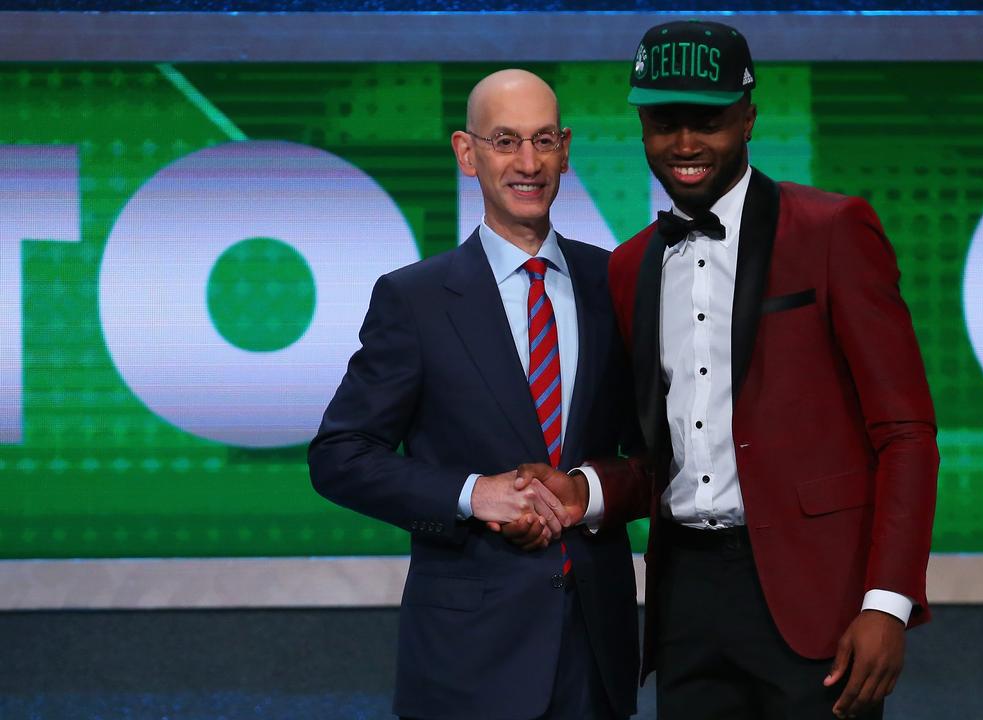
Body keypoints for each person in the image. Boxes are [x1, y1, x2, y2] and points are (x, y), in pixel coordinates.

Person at [516, 19, 939, 720]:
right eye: (664, 121)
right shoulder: (630, 265)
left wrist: (888, 604)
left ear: (747, 115)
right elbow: (655, 456)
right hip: (685, 606)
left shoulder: (835, 231)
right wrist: (582, 491)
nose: (685, 144)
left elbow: (906, 434)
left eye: (707, 120)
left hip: (819, 602)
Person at [308, 69, 639, 720]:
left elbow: (660, 453)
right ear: (468, 153)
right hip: (468, 661)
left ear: (566, 149)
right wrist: (470, 493)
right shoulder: (415, 299)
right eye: (505, 140)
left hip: (594, 655)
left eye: (544, 140)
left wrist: (587, 494)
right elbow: (339, 455)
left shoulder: (619, 283)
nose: (527, 162)